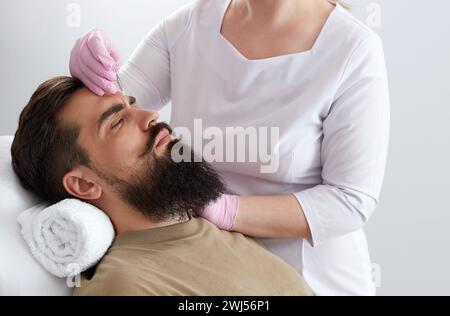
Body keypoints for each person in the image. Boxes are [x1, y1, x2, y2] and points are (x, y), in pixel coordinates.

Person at [69, 0, 390, 295]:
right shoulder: (190, 25)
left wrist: (228, 211)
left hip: (309, 277)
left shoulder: (352, 50)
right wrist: (89, 75)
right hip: (208, 263)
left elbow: (350, 200)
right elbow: (106, 115)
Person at [10, 76, 313, 296]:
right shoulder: (125, 286)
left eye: (131, 105)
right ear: (83, 184)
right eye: (116, 122)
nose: (150, 115)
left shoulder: (216, 233)